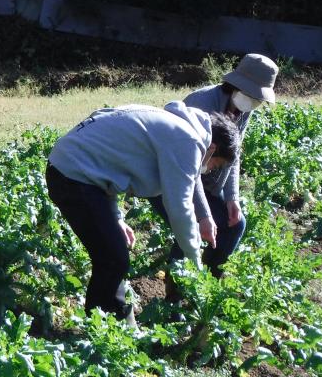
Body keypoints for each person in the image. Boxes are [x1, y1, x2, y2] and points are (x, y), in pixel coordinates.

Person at [45, 102, 241, 324]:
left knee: (112, 253)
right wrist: (195, 262)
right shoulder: (188, 141)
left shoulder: (175, 125)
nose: (211, 169)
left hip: (71, 167)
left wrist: (116, 218)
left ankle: (111, 324)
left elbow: (112, 162)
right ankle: (106, 331)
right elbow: (180, 208)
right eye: (216, 165)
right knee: (113, 259)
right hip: (72, 175)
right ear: (213, 148)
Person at [151, 53, 278, 302]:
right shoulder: (201, 102)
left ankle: (206, 285)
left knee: (235, 224)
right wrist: (204, 215)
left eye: (258, 99)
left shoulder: (243, 108)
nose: (255, 103)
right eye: (253, 95)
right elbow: (188, 165)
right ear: (237, 85)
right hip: (171, 176)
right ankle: (174, 299)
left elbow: (233, 152)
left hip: (207, 180)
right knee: (191, 227)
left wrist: (232, 198)